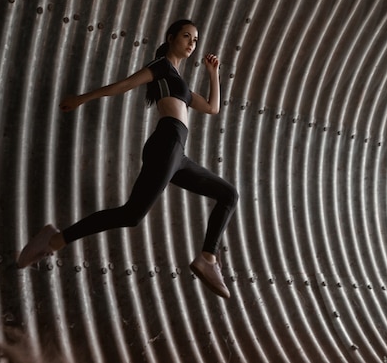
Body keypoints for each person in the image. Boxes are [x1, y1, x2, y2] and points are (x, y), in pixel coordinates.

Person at [17, 19, 239, 298]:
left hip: (176, 152)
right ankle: (53, 241)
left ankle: (208, 259)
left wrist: (213, 72)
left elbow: (212, 108)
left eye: (195, 39)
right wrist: (81, 99)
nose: (192, 43)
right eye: (186, 36)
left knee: (228, 194)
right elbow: (123, 85)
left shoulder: (178, 81)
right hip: (166, 143)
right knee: (132, 215)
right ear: (170, 38)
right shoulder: (162, 67)